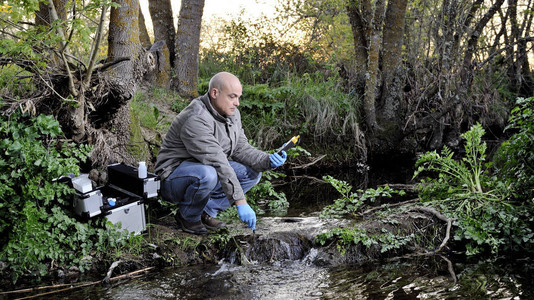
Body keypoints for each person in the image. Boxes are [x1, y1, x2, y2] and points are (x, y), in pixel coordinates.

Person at [154, 72, 287, 235]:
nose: (237, 103)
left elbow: (241, 148)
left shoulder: (231, 113)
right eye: (232, 97)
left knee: (252, 173)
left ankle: (206, 211)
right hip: (173, 178)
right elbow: (217, 162)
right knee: (208, 174)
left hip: (204, 169)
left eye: (239, 97)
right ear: (215, 93)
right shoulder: (196, 118)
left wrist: (268, 160)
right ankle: (188, 216)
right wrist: (241, 202)